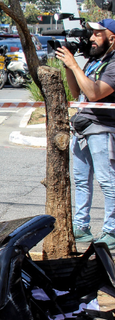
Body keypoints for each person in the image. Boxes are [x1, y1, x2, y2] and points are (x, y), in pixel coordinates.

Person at [55, 19, 115, 250]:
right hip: (83, 128)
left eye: (98, 34)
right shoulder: (94, 60)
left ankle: (111, 230)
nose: (91, 38)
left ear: (112, 37)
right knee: (81, 181)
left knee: (107, 182)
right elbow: (76, 91)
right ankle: (82, 226)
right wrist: (70, 65)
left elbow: (94, 93)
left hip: (103, 129)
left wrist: (75, 65)